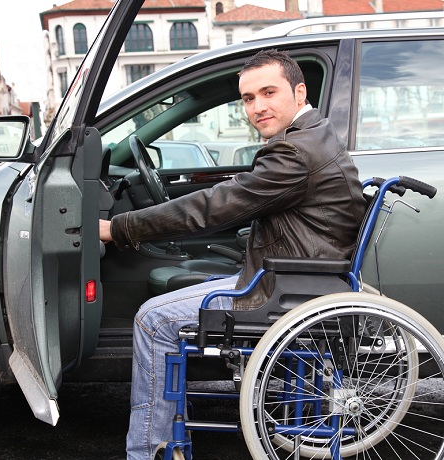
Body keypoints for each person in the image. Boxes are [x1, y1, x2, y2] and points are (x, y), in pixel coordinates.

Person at [99, 49, 366, 459]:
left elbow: (215, 205)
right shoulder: (314, 136)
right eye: (248, 98)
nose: (257, 107)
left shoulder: (294, 153)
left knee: (153, 321)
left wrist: (118, 227)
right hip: (298, 277)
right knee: (173, 303)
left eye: (268, 93)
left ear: (299, 92)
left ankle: (151, 451)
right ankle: (165, 430)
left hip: (286, 292)